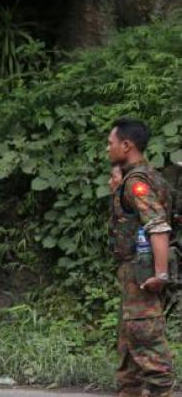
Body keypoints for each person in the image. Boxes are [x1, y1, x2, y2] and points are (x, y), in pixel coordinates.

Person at [106, 118, 175, 397]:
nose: (107, 149)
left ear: (126, 145)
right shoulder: (147, 176)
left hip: (142, 276)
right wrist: (116, 192)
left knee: (147, 344)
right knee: (128, 351)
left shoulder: (137, 183)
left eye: (110, 143)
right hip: (135, 275)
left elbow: (157, 226)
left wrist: (159, 275)